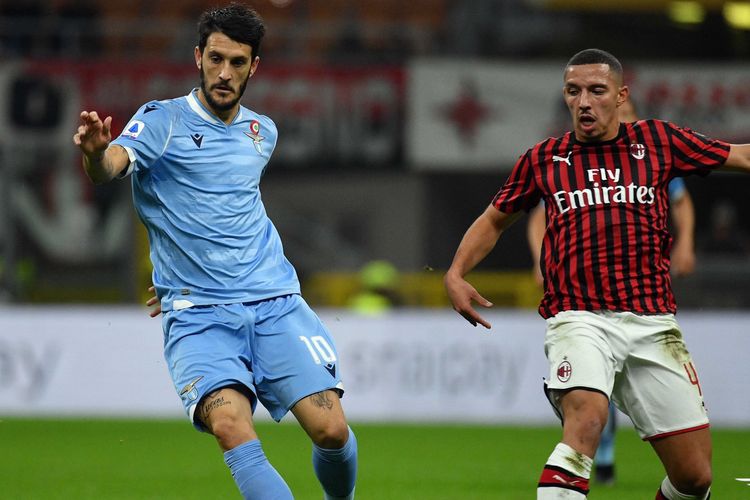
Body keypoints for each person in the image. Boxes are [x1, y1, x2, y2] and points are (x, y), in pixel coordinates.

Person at [73, 4, 357, 499]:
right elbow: (112, 165)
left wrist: (190, 266)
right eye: (216, 59)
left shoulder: (261, 132)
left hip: (274, 303)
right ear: (198, 57)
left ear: (254, 67)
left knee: (331, 431)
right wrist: (97, 153)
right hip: (200, 317)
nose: (225, 73)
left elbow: (230, 211)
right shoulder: (161, 121)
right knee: (230, 424)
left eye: (238, 62)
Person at [444, 48, 750, 500]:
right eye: (573, 91)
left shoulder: (658, 141)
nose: (584, 101)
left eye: (596, 90)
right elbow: (494, 219)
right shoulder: (545, 158)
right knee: (586, 420)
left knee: (695, 477)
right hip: (578, 317)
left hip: (652, 322)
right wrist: (456, 271)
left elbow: (740, 156)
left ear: (621, 95)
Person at [525, 98, 698, 486]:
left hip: (642, 298)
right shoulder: (570, 163)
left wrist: (685, 243)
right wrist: (542, 260)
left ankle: (610, 444)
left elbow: (681, 202)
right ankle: (601, 451)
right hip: (583, 300)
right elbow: (537, 217)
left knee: (695, 472)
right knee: (594, 390)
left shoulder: (654, 156)